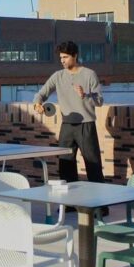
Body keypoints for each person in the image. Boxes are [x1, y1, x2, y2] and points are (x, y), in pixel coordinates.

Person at [34, 41, 105, 186]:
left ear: (75, 56)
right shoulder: (58, 76)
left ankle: (100, 208)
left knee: (93, 166)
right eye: (61, 58)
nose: (62, 61)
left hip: (86, 126)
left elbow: (99, 100)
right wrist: (37, 103)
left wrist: (85, 95)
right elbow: (42, 93)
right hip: (66, 126)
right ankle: (68, 207)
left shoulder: (89, 74)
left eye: (65, 57)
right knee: (65, 167)